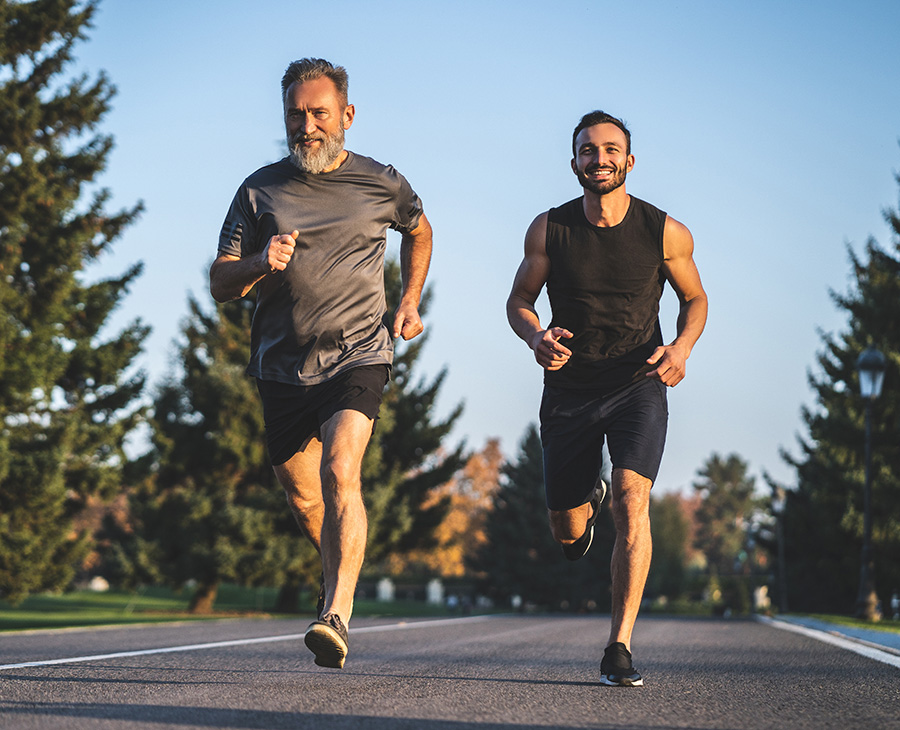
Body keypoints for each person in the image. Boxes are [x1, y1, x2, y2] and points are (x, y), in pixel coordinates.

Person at [210, 58, 432, 670]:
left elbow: (420, 229)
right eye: (295, 114)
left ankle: (336, 611)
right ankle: (333, 574)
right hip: (281, 365)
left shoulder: (380, 182)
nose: (306, 126)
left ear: (346, 116)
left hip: (359, 353)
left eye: (318, 113)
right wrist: (258, 262)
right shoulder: (259, 190)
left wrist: (408, 300)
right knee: (307, 501)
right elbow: (219, 282)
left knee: (341, 470)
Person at [506, 110, 707, 686]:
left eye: (610, 149)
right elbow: (519, 298)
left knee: (631, 498)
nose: (599, 159)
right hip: (569, 387)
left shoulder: (665, 231)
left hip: (638, 382)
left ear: (629, 161)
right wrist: (536, 336)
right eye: (588, 151)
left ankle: (618, 644)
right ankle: (582, 501)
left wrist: (682, 349)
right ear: (574, 163)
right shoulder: (550, 229)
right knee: (567, 532)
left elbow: (696, 300)